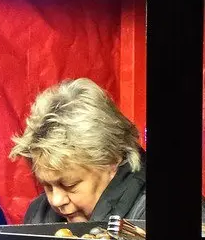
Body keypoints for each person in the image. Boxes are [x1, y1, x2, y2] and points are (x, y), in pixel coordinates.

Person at [11, 78, 146, 224]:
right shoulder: (38, 216)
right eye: (47, 186)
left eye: (70, 185)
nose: (56, 201)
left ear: (112, 160)